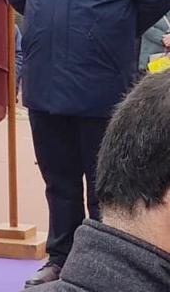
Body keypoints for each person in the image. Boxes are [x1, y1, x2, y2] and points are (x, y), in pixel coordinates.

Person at [2, 0, 170, 288]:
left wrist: (106, 32)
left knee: (106, 186)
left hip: (104, 89)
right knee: (57, 182)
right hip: (44, 83)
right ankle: (60, 258)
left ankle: (108, 264)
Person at [36, 73, 170, 291]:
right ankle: (59, 256)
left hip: (99, 83)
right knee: (61, 186)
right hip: (50, 86)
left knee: (97, 192)